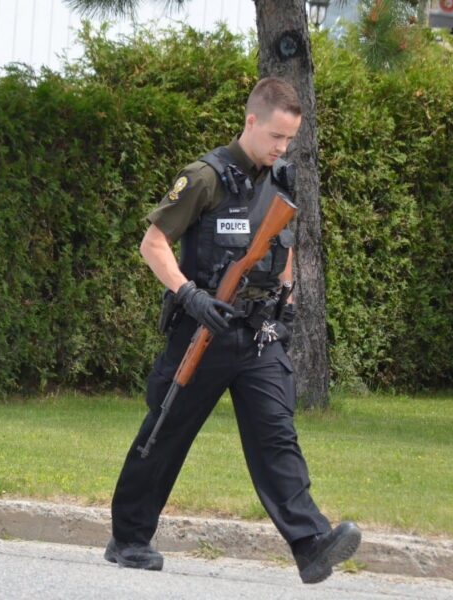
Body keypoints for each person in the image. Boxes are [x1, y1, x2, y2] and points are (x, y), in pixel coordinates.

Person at [103, 77, 361, 585]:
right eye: (275, 137)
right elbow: (152, 244)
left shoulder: (282, 179)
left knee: (276, 434)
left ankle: (311, 545)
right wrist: (189, 296)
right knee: (166, 430)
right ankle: (129, 537)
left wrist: (287, 305)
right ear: (251, 122)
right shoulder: (204, 177)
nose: (282, 148)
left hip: (259, 334)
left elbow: (282, 249)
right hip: (204, 328)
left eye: (289, 140)